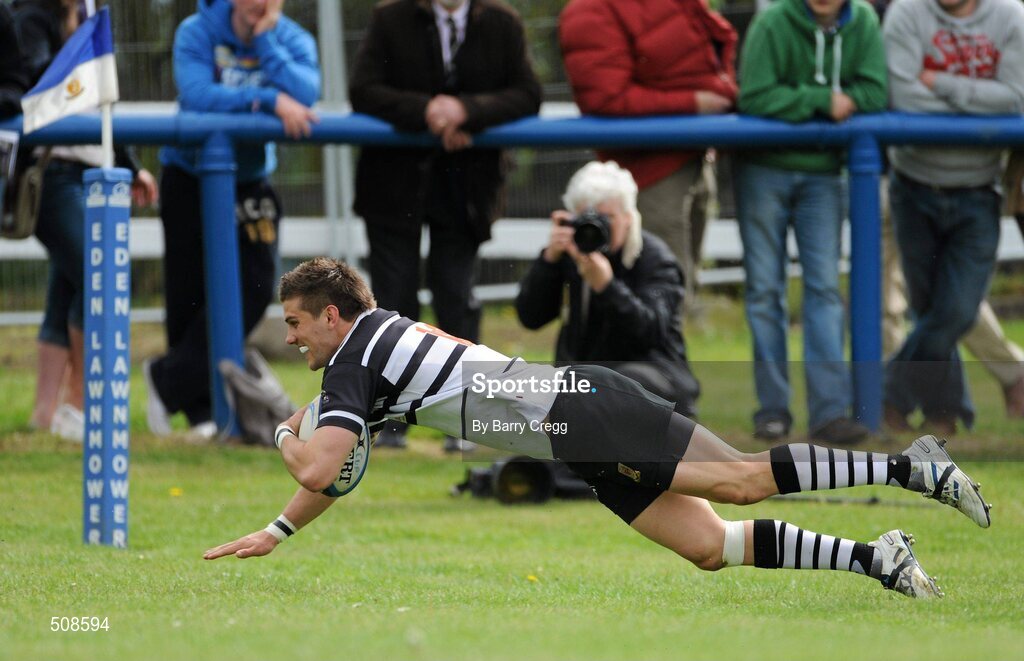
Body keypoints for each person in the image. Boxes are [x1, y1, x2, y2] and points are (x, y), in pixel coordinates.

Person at [204, 257, 992, 601]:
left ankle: (908, 466)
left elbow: (317, 465)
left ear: (334, 314)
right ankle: (877, 557)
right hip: (571, 430)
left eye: (299, 322)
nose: (294, 337)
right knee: (710, 547)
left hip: (579, 407)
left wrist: (278, 427)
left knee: (743, 480)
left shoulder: (356, 355)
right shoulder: (368, 349)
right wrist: (278, 530)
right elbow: (333, 472)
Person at [348, 0, 541, 448]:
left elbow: (528, 93)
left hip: (466, 188)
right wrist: (428, 111)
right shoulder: (390, 18)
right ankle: (387, 420)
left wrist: (467, 111)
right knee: (391, 299)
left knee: (456, 295)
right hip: (393, 185)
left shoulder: (501, 23)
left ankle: (467, 419)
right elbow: (364, 90)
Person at [146, 0, 319, 438]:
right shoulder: (196, 30)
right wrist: (267, 98)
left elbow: (307, 92)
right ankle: (201, 408)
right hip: (189, 172)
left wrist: (264, 41)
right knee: (188, 290)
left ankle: (165, 380)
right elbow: (198, 94)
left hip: (250, 179)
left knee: (259, 285)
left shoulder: (290, 37)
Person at [735, 0, 887, 444]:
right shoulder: (772, 21)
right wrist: (824, 101)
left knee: (823, 287)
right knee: (765, 289)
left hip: (825, 174)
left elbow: (876, 93)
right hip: (764, 170)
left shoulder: (864, 22)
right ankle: (773, 410)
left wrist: (805, 103)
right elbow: (756, 95)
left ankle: (829, 413)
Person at [14, 0, 158, 438]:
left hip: (92, 168)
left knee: (68, 287)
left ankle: (45, 416)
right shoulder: (33, 20)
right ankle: (79, 404)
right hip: (54, 173)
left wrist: (132, 165)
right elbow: (44, 93)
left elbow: (101, 104)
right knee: (101, 272)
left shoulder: (95, 19)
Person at [881, 0, 1024, 434]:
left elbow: (1016, 98)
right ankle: (945, 414)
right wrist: (980, 102)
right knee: (929, 310)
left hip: (980, 187)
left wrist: (941, 84)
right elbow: (903, 96)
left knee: (957, 310)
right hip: (913, 183)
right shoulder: (905, 13)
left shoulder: (1010, 16)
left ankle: (883, 395)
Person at [559, 0, 738, 308]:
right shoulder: (590, 10)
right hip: (649, 174)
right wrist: (693, 102)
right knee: (657, 298)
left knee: (679, 292)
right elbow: (605, 97)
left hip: (694, 159)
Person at [515, 161, 699, 418]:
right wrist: (549, 261)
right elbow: (530, 317)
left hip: (656, 384)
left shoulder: (656, 260)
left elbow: (651, 334)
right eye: (585, 219)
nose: (594, 228)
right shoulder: (571, 253)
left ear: (628, 217)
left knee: (613, 384)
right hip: (587, 385)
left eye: (606, 217)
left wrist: (607, 287)